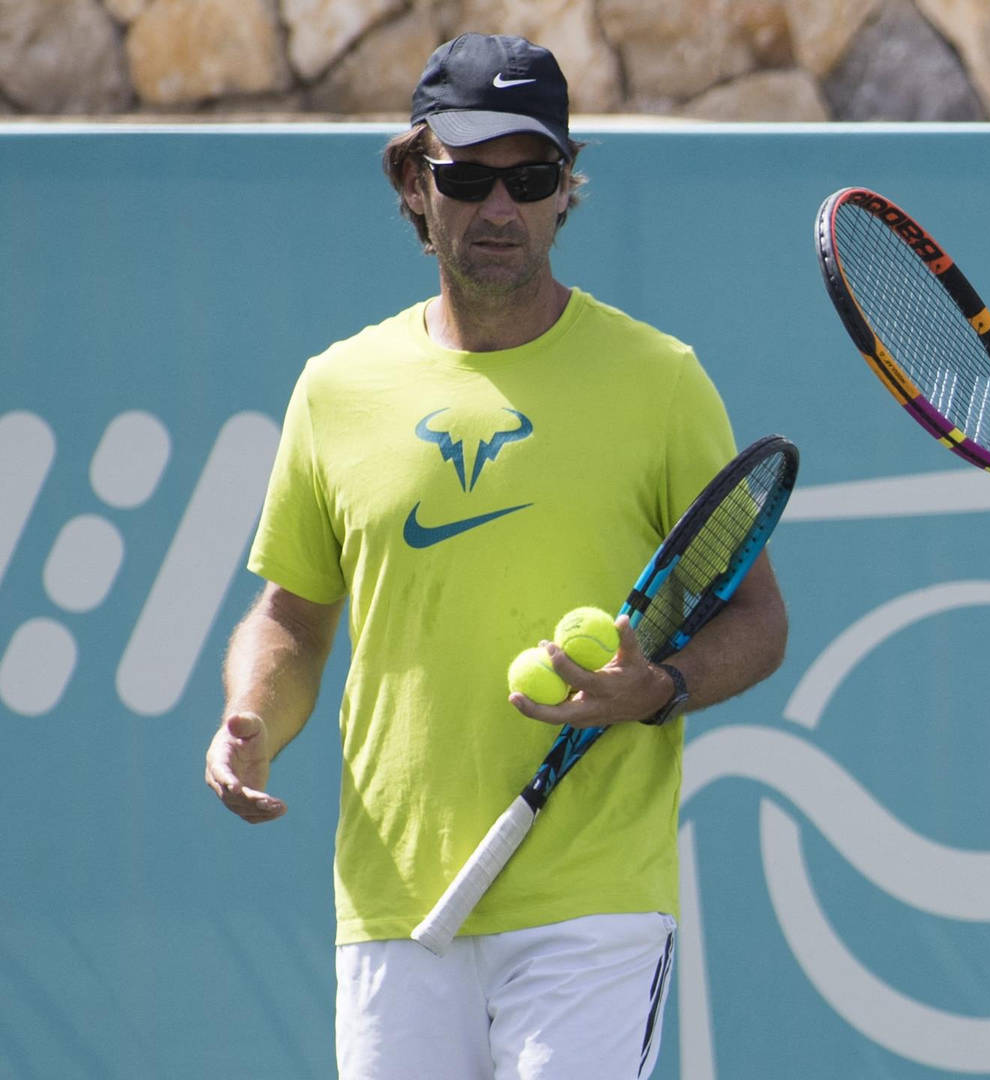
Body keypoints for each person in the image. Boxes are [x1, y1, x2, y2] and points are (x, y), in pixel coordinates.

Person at [203, 33, 787, 1079]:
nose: (500, 208)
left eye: (532, 176)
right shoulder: (336, 389)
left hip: (592, 902)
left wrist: (661, 687)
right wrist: (252, 720)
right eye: (468, 178)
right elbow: (292, 615)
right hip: (392, 900)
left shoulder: (661, 382)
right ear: (413, 184)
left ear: (568, 189)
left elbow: (756, 618)